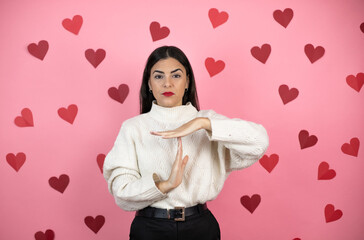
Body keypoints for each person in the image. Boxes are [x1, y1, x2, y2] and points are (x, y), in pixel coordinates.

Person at [103, 45, 269, 240]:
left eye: (176, 75)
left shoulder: (208, 122)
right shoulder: (133, 128)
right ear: (148, 83)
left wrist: (201, 123)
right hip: (150, 229)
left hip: (200, 228)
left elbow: (259, 142)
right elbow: (121, 193)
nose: (167, 84)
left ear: (187, 81)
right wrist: (164, 185)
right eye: (158, 76)